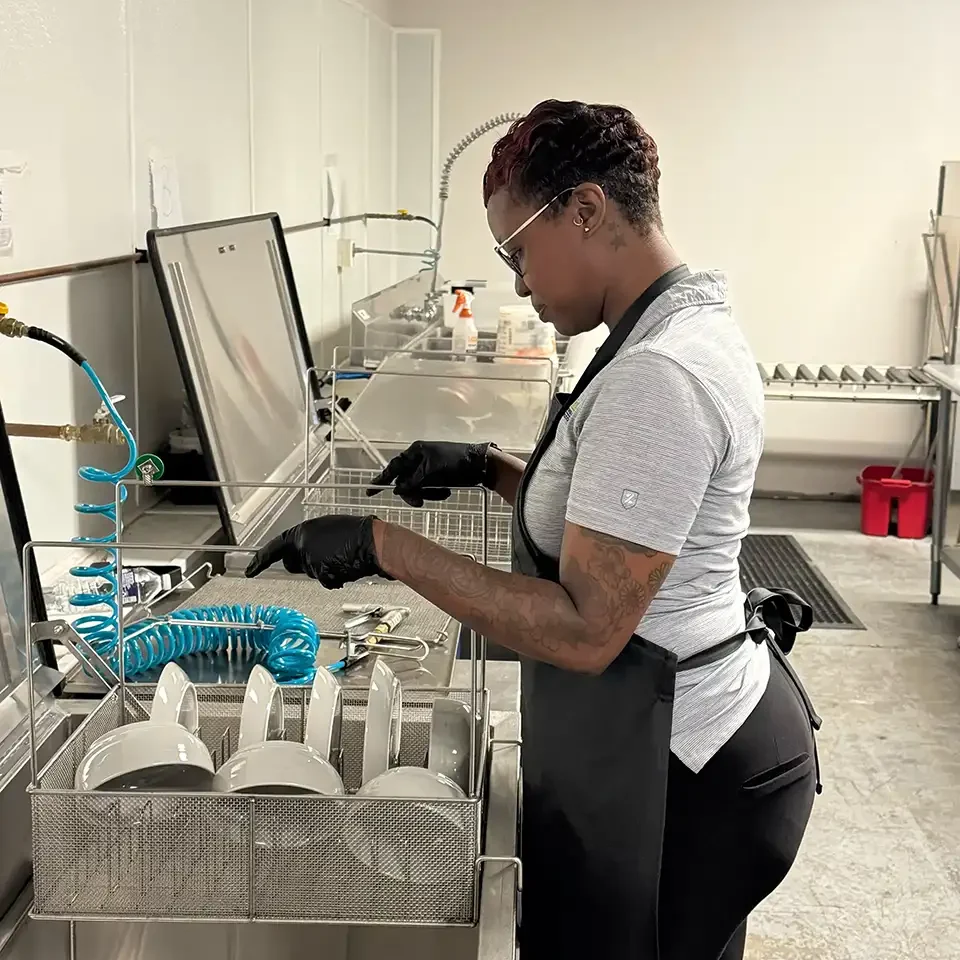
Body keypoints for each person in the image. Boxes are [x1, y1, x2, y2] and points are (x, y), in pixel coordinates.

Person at [245, 99, 821, 960]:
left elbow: (589, 630)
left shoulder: (659, 374)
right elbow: (630, 520)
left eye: (517, 252)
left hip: (687, 767)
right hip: (687, 735)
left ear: (585, 209)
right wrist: (487, 467)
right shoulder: (673, 325)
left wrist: (382, 545)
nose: (517, 283)